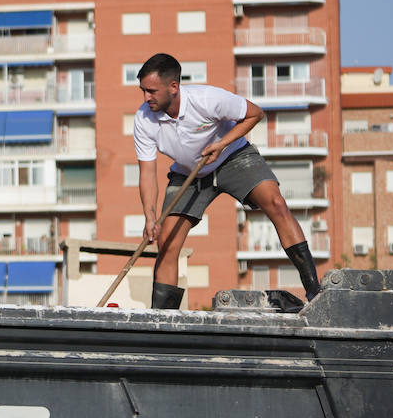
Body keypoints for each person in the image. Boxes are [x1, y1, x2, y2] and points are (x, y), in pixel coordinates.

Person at [132, 53, 321, 309]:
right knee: (166, 242)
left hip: (233, 157)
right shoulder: (143, 119)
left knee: (276, 204)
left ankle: (315, 293)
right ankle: (162, 318)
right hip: (189, 174)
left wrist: (221, 144)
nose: (146, 98)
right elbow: (147, 172)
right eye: (143, 90)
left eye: (151, 91)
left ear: (173, 87)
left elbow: (255, 114)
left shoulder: (208, 99)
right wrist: (150, 215)